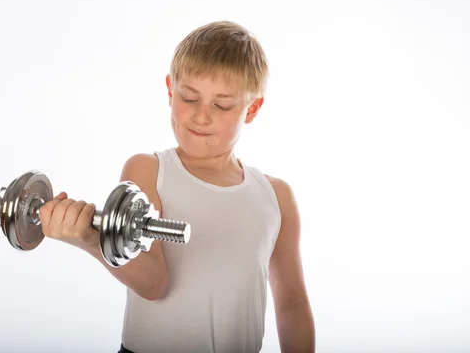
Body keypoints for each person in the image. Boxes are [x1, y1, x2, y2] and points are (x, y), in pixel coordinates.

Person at [39, 20, 316, 353]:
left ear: (252, 108)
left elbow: (292, 305)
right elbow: (154, 283)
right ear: (171, 91)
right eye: (189, 98)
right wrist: (89, 237)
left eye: (221, 105)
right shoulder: (148, 170)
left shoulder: (276, 196)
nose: (201, 116)